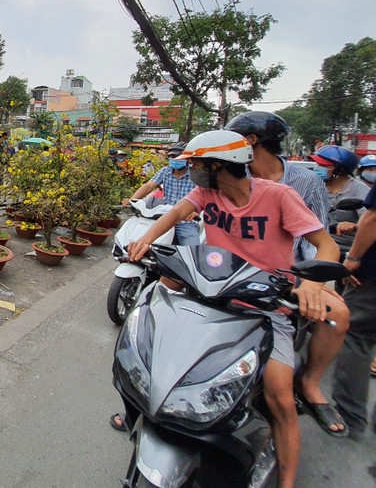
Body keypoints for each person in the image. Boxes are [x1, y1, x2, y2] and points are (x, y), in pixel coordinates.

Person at [122, 130, 347, 488]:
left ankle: (286, 479)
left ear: (216, 165)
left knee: (280, 398)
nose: (190, 169)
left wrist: (313, 286)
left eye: (195, 164)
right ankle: (143, 410)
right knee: (157, 342)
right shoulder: (207, 192)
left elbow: (326, 246)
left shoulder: (279, 197)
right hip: (212, 293)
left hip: (265, 306)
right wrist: (145, 239)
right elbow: (177, 213)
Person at [226, 111, 330, 261]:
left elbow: (314, 241)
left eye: (233, 140)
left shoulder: (307, 181)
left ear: (252, 140)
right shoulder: (231, 177)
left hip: (286, 275)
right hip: (234, 268)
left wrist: (313, 280)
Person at [332, 175, 376, 438]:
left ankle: (350, 417)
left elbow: (372, 219)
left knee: (356, 336)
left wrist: (353, 259)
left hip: (371, 280)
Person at [121, 142, 199, 245]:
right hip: (165, 218)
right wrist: (132, 199)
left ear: (188, 159)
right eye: (172, 156)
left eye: (179, 157)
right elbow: (148, 186)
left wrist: (196, 211)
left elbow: (205, 197)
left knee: (193, 250)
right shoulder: (165, 172)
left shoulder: (196, 175)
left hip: (185, 221)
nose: (175, 159)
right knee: (141, 242)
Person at [310, 145, 369, 229]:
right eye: (318, 164)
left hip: (345, 241)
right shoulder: (314, 186)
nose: (318, 168)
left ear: (340, 170)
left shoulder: (359, 189)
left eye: (324, 166)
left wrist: (352, 226)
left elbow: (368, 219)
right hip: (315, 239)